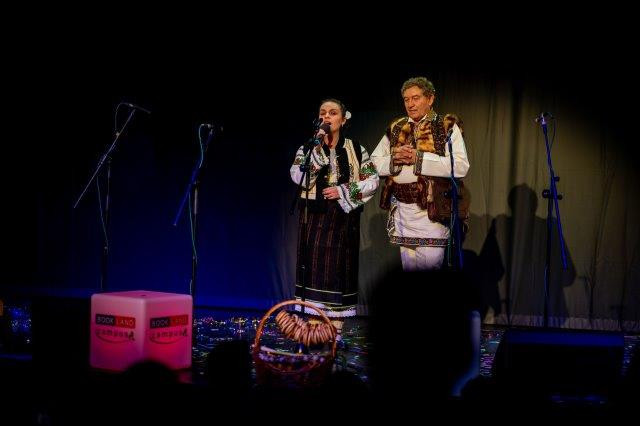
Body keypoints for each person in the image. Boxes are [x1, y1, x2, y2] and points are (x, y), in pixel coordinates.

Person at [290, 98, 379, 339]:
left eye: (333, 112)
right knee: (314, 273)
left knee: (339, 274)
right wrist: (317, 147)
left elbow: (372, 180)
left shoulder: (356, 149)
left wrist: (343, 190)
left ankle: (334, 336)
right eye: (323, 113)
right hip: (314, 219)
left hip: (344, 220)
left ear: (343, 119)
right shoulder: (308, 147)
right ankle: (311, 334)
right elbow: (297, 175)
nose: (327, 117)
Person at [371, 76, 470, 270]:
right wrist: (394, 160)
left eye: (416, 98)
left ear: (430, 98)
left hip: (431, 213)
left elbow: (460, 166)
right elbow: (373, 164)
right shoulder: (396, 127)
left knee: (429, 272)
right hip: (403, 212)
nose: (410, 104)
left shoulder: (446, 125)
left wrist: (419, 158)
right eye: (406, 99)